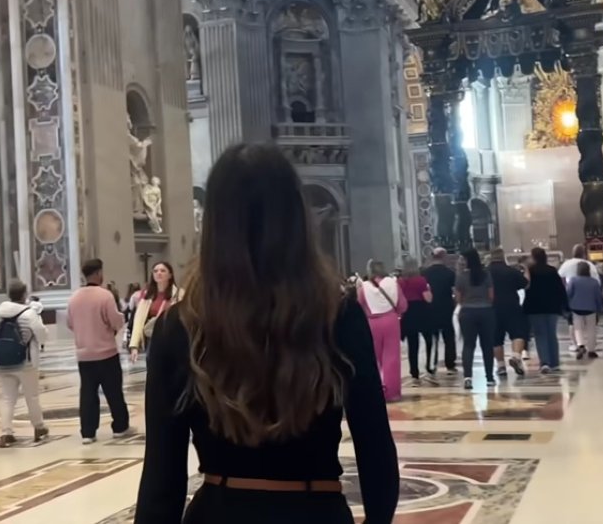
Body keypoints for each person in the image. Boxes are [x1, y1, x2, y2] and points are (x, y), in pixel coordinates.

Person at [134, 143, 399, 524]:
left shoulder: (179, 326)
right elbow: (375, 449)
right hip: (315, 512)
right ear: (297, 220)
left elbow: (162, 474)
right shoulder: (338, 317)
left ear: (214, 225)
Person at [67, 259, 134, 443]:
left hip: (84, 355)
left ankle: (88, 432)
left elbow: (70, 323)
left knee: (87, 393)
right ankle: (120, 427)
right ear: (98, 273)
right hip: (106, 353)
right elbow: (115, 321)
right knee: (113, 392)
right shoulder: (104, 296)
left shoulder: (74, 297)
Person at [0, 279, 49, 447]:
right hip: (25, 361)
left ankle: (6, 432)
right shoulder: (29, 313)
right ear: (24, 295)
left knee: (8, 398)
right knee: (32, 396)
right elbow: (41, 335)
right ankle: (39, 427)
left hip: (3, 362)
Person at [358, 259, 407, 401]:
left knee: (373, 358)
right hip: (391, 321)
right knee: (391, 357)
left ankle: (374, 390)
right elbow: (403, 305)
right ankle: (392, 393)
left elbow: (360, 305)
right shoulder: (393, 283)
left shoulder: (363, 287)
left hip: (372, 322)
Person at [523, 247, 568, 374]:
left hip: (535, 307)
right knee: (552, 334)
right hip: (552, 307)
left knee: (540, 335)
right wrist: (563, 306)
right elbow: (560, 289)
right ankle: (555, 362)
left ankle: (545, 362)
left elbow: (526, 287)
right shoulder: (552, 271)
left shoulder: (531, 271)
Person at [456, 248, 495, 388]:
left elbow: (458, 298)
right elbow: (491, 296)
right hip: (486, 312)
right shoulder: (486, 275)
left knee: (468, 345)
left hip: (467, 313)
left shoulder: (461, 277)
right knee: (487, 345)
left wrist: (467, 303)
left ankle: (468, 377)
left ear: (468, 260)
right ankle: (490, 377)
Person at [129, 262, 182, 363]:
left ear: (170, 275)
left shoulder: (179, 294)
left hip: (172, 339)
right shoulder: (146, 295)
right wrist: (134, 346)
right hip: (152, 339)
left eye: (163, 271)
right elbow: (138, 321)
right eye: (156, 271)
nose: (159, 273)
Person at [488, 248, 528, 378]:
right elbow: (526, 284)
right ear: (503, 256)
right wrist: (526, 270)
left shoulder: (485, 273)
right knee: (518, 333)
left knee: (496, 339)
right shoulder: (511, 271)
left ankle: (500, 366)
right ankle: (516, 356)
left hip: (492, 308)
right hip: (511, 306)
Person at [397, 257, 436, 382]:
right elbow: (428, 298)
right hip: (422, 312)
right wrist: (429, 290)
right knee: (429, 340)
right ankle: (429, 366)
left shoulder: (400, 282)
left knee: (412, 344)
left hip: (407, 313)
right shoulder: (421, 280)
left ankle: (414, 373)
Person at [422, 248, 458, 373]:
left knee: (432, 338)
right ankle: (450, 363)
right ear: (444, 257)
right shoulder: (450, 273)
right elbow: (455, 292)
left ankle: (431, 363)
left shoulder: (425, 273)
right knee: (448, 337)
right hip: (446, 308)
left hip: (429, 309)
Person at [566, 263, 603, 359]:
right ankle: (591, 350)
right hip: (591, 308)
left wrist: (567, 305)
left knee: (578, 328)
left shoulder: (573, 280)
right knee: (591, 329)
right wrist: (600, 308)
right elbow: (598, 296)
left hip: (576, 308)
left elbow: (568, 293)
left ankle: (581, 345)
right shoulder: (594, 282)